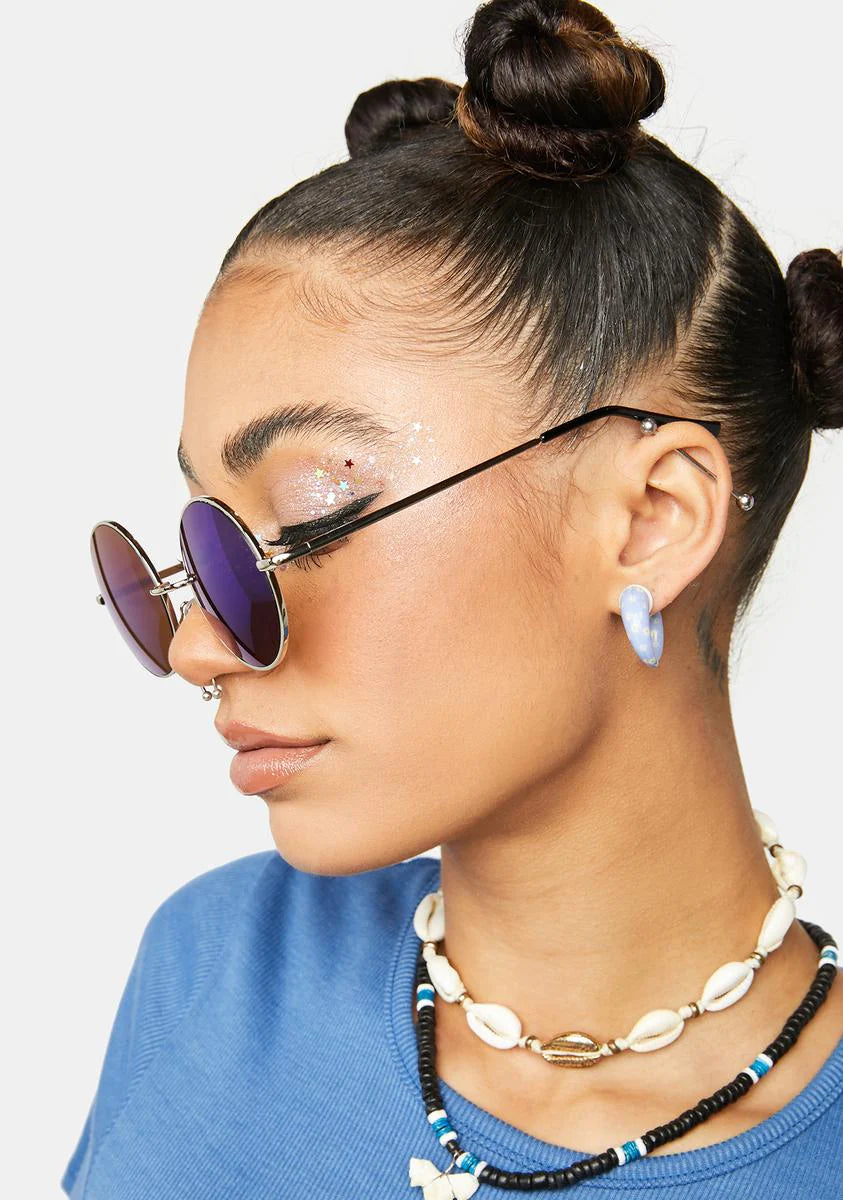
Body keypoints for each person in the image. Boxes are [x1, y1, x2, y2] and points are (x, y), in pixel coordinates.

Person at [64, 1, 843, 1196]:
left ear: (653, 518)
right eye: (200, 544)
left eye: (309, 518)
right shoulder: (215, 975)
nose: (198, 648)